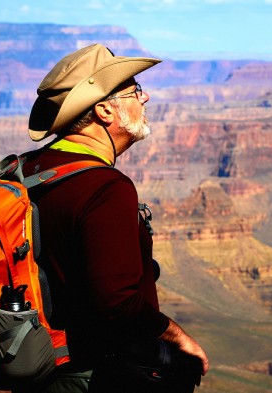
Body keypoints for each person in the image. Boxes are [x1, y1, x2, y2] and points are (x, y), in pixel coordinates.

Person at [22, 44, 208, 392]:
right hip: (92, 376)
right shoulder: (106, 188)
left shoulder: (29, 169)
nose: (146, 97)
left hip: (42, 370)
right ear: (105, 110)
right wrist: (178, 338)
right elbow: (118, 304)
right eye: (135, 91)